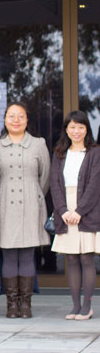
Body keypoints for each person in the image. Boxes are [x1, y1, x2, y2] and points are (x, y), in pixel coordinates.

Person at [0, 102, 51, 319]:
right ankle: (12, 305)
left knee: (27, 255)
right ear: (4, 120)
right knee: (9, 255)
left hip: (30, 204)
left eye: (20, 116)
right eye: (11, 116)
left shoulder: (38, 144)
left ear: (27, 120)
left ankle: (26, 304)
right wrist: (1, 195)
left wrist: (34, 194)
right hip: (4, 205)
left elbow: (45, 177)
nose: (16, 120)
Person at [50, 111, 100, 321]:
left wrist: (79, 211)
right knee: (71, 258)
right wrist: (63, 210)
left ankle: (87, 307)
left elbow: (95, 185)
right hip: (65, 209)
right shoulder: (60, 152)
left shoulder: (95, 152)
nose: (76, 131)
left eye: (80, 127)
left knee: (86, 257)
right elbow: (54, 183)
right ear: (66, 130)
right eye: (72, 127)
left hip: (87, 208)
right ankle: (75, 306)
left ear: (86, 129)